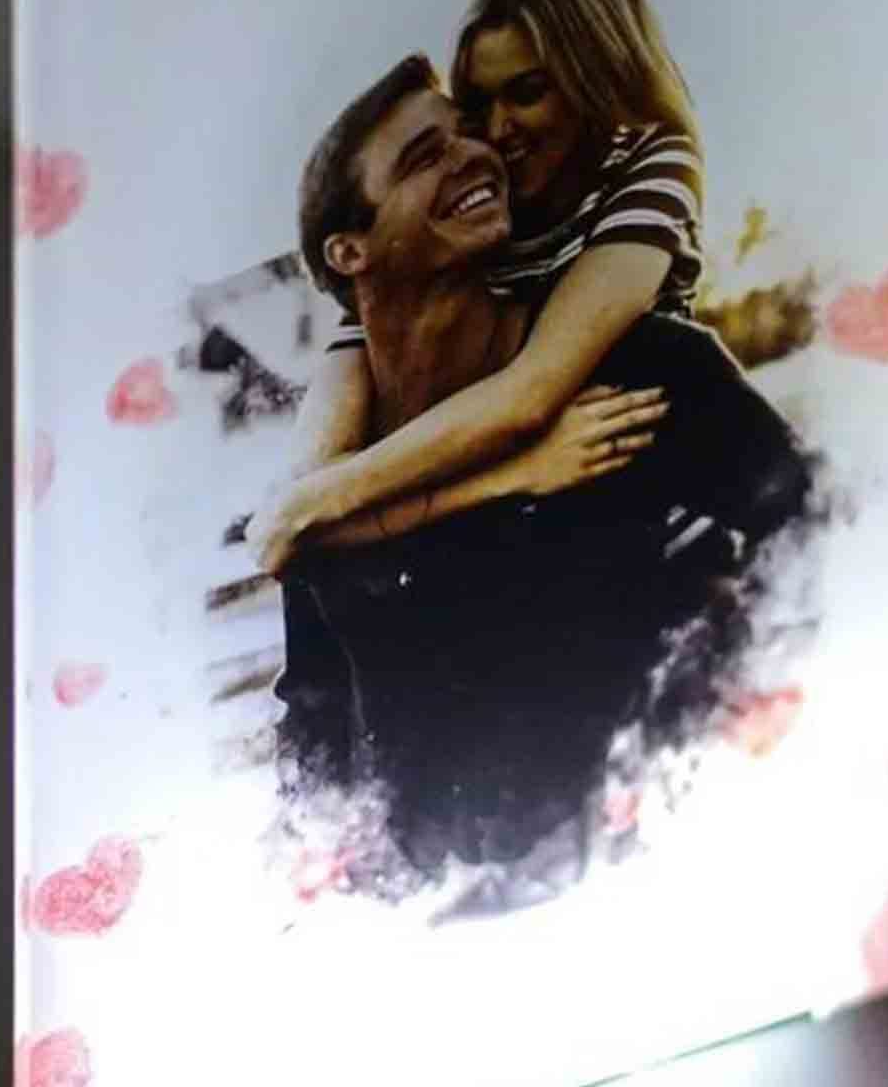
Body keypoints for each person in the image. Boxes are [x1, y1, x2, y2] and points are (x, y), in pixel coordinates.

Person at [265, 54, 812, 886]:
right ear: (350, 251)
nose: (474, 156)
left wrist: (698, 731)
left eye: (465, 135)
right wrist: (333, 876)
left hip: (628, 877)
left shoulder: (636, 371)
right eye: (424, 157)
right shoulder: (337, 469)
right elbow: (313, 710)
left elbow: (817, 532)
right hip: (420, 906)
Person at [247, 0, 708, 576]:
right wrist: (511, 476)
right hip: (500, 511)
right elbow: (307, 509)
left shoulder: (651, 165)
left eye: (527, 92)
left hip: (629, 494)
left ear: (592, 77)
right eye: (478, 105)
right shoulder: (472, 216)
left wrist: (303, 505)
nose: (495, 131)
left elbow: (531, 392)